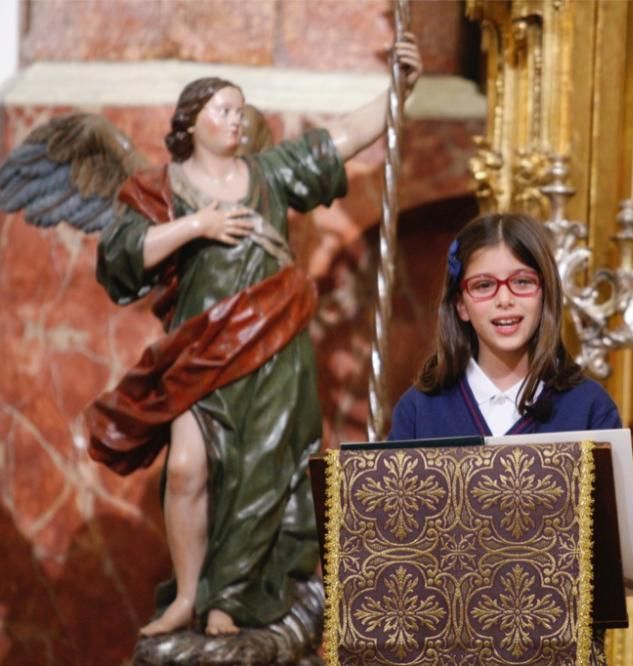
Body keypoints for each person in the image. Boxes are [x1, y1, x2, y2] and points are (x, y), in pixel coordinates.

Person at [88, 37, 422, 637]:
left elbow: (342, 136)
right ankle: (189, 594)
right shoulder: (161, 188)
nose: (236, 120)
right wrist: (199, 224)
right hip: (198, 354)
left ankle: (232, 603)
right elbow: (123, 253)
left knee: (264, 470)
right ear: (190, 123)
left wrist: (398, 89)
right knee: (188, 469)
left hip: (272, 350)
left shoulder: (268, 173)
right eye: (223, 109)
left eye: (241, 111)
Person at [388, 212, 621, 440]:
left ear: (546, 294)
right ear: (461, 305)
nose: (504, 300)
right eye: (484, 285)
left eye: (522, 282)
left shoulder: (590, 408)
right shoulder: (419, 411)